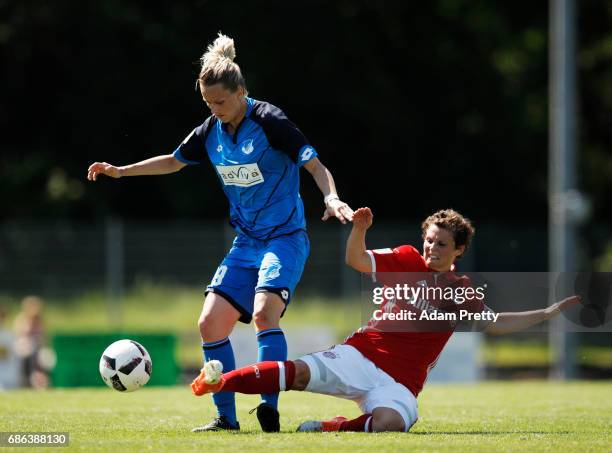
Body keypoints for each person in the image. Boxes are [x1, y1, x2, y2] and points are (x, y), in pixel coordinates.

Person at [87, 33, 353, 432]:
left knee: (265, 313)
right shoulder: (210, 131)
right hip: (245, 243)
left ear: (241, 92)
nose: (215, 109)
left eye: (221, 102)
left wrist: (331, 199)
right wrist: (122, 171)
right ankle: (225, 418)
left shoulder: (270, 121)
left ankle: (269, 407)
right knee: (209, 324)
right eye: (208, 103)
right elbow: (174, 162)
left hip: (284, 238)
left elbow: (314, 165)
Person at [190, 207, 581, 433]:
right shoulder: (407, 258)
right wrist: (358, 230)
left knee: (391, 423)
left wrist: (547, 314)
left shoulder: (460, 289)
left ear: (458, 250)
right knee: (296, 374)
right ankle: (216, 383)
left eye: (442, 244)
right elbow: (356, 261)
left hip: (400, 384)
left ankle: (334, 427)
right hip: (360, 355)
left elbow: (496, 322)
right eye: (429, 239)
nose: (432, 248)